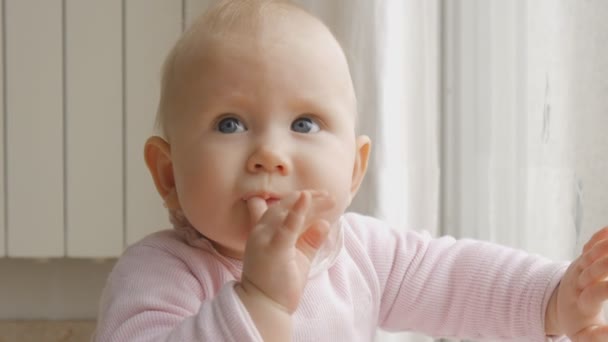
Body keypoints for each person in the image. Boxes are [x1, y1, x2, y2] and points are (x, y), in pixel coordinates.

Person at [94, 0, 608, 341]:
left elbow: (456, 278)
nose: (270, 153)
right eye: (230, 124)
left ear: (355, 169)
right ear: (168, 175)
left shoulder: (357, 253)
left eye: (305, 122)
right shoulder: (158, 273)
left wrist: (556, 297)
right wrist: (258, 300)